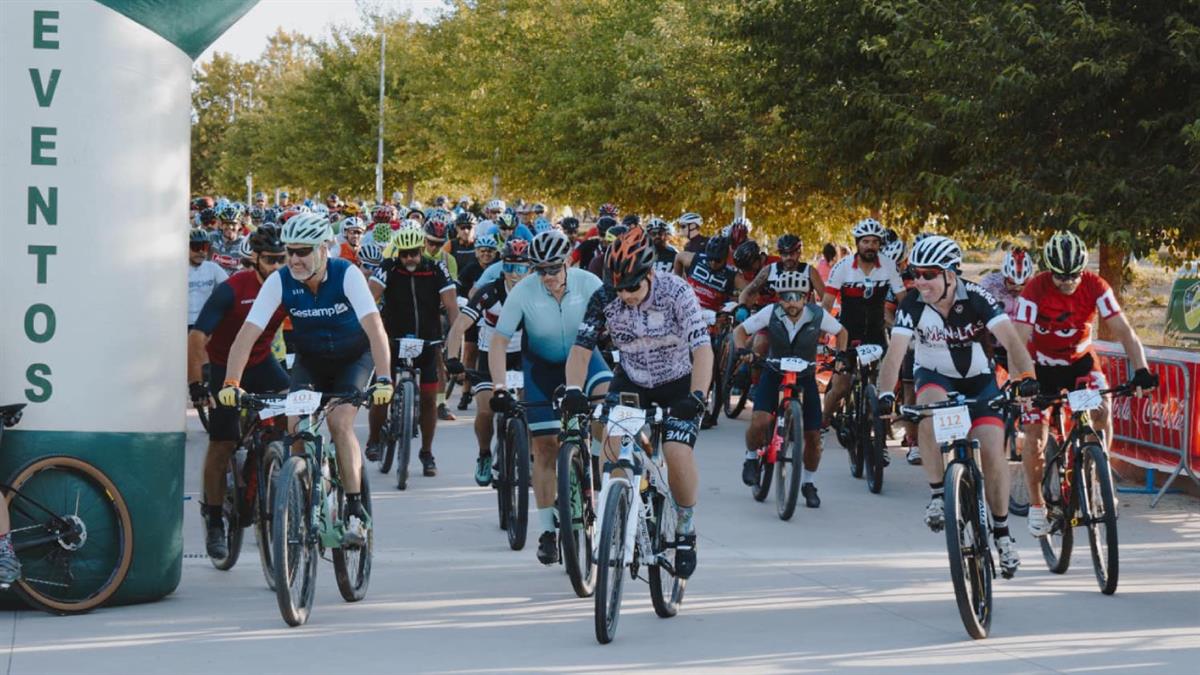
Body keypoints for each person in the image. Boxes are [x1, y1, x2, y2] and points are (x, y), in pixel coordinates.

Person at [218, 213, 393, 547]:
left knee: (341, 423)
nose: (294, 259)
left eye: (303, 251)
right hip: (311, 361)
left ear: (325, 249)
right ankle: (303, 494)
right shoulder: (281, 280)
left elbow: (375, 329)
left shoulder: (347, 275)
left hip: (353, 359)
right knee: (296, 424)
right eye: (290, 252)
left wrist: (384, 378)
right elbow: (247, 335)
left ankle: (354, 509)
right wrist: (231, 383)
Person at [875, 235, 1039, 579]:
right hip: (936, 376)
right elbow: (894, 355)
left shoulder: (977, 297)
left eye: (929, 274)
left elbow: (1011, 340)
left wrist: (1025, 376)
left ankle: (1002, 533)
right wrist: (885, 394)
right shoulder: (913, 305)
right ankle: (938, 493)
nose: (920, 281)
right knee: (928, 411)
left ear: (951, 274)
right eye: (916, 273)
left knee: (994, 453)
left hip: (979, 379)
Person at [564, 225, 711, 578]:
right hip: (632, 380)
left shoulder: (676, 292)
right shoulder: (604, 298)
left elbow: (702, 349)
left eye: (633, 287)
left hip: (679, 383)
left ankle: (685, 528)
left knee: (677, 451)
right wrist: (572, 389)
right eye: (620, 288)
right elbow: (582, 350)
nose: (626, 295)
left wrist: (697, 396)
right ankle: (621, 506)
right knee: (613, 443)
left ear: (649, 274)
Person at [1014, 231, 1158, 538]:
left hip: (1079, 364)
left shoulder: (1095, 285)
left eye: (1072, 276)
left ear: (1082, 270)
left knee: (1103, 409)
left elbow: (1125, 332)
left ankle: (1098, 475)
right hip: (1040, 367)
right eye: (1060, 277)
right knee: (1036, 437)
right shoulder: (1034, 289)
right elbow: (1017, 340)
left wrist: (1142, 370)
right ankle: (1037, 506)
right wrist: (1022, 382)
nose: (1066, 282)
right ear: (1048, 270)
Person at [488, 231, 612, 565]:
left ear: (569, 261)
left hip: (585, 359)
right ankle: (546, 530)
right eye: (539, 269)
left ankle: (597, 463)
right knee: (544, 447)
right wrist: (499, 386)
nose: (547, 277)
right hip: (541, 368)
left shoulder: (589, 283)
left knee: (607, 403)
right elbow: (500, 341)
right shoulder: (524, 291)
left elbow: (618, 322)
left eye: (553, 269)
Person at [188, 227, 289, 558]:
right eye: (270, 260)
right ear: (255, 260)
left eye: (282, 259)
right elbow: (198, 335)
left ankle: (279, 474)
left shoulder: (290, 286)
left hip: (261, 363)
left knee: (289, 417)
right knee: (223, 442)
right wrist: (197, 382)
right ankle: (215, 519)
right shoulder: (233, 289)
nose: (277, 266)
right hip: (223, 367)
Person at [732, 270, 847, 505]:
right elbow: (740, 331)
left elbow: (841, 332)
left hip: (804, 375)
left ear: (806, 298)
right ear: (778, 298)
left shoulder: (817, 315)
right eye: (785, 296)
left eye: (797, 296)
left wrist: (841, 356)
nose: (791, 301)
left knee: (813, 436)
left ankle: (808, 483)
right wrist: (744, 350)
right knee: (760, 421)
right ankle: (751, 457)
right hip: (774, 371)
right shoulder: (770, 312)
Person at [366, 227, 460, 478]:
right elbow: (369, 298)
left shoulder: (436, 267)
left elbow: (451, 306)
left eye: (414, 254)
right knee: (381, 393)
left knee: (430, 399)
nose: (409, 259)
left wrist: (454, 341)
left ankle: (427, 452)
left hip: (427, 340)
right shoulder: (389, 267)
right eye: (405, 254)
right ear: (399, 252)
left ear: (421, 251)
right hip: (393, 340)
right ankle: (374, 439)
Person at [445, 239, 531, 485]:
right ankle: (484, 453)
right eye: (510, 267)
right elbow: (458, 327)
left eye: (522, 268)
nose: (515, 274)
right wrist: (452, 358)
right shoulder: (489, 293)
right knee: (485, 409)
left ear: (531, 270)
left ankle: (529, 457)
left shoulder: (536, 293)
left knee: (530, 408)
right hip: (489, 357)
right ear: (502, 267)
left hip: (522, 358)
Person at [821, 218, 906, 428]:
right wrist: (822, 330)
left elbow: (903, 299)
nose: (870, 246)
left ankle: (880, 435)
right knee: (840, 387)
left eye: (875, 242)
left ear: (880, 244)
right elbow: (827, 303)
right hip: (848, 333)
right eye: (866, 241)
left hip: (876, 333)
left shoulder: (887, 265)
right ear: (858, 243)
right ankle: (821, 424)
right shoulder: (842, 267)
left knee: (883, 384)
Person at [188, 229, 228, 330]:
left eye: (204, 247)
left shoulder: (212, 267)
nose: (201, 251)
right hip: (180, 324)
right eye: (196, 246)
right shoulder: (175, 269)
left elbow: (230, 287)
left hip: (204, 322)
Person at [210, 205, 247, 275]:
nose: (230, 227)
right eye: (226, 223)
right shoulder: (212, 237)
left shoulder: (245, 243)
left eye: (233, 224)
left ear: (239, 225)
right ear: (220, 225)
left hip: (235, 281)